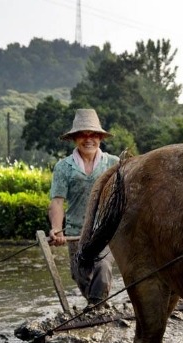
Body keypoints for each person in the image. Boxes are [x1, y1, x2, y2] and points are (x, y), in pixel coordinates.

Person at [48, 109, 119, 305]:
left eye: (93, 134)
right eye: (82, 134)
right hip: (75, 231)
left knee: (103, 266)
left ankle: (96, 308)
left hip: (104, 231)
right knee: (80, 275)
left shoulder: (114, 164)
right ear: (74, 139)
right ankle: (97, 306)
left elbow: (125, 197)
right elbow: (57, 201)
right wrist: (56, 229)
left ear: (100, 138)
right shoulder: (64, 167)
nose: (88, 139)